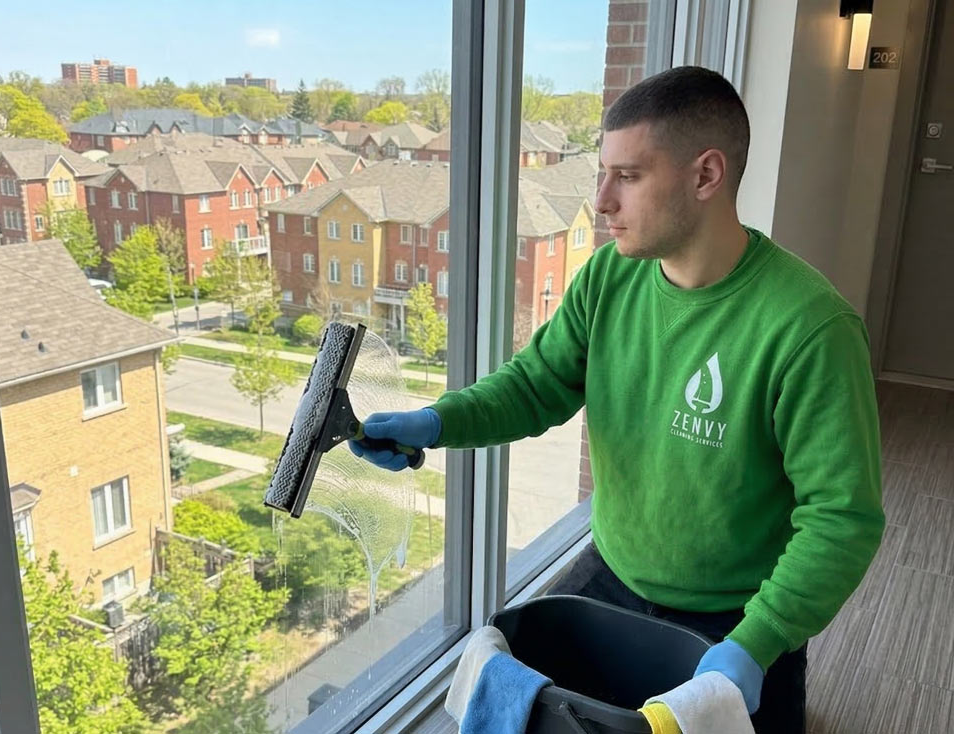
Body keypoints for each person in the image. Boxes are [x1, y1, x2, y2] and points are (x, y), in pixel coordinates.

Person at [348, 65, 884, 734]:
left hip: (740, 610)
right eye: (602, 173)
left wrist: (759, 640)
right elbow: (536, 384)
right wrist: (437, 421)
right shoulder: (609, 276)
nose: (601, 201)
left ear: (706, 176)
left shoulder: (809, 329)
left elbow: (842, 519)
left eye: (627, 177)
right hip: (614, 570)